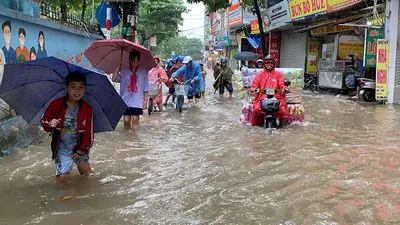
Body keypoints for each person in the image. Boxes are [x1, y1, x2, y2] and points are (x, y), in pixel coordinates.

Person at [40, 72, 94, 185]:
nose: (77, 91)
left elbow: (89, 134)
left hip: (80, 147)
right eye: (73, 87)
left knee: (88, 175)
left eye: (81, 87)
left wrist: (81, 150)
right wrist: (50, 124)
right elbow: (44, 121)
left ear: (85, 89)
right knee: (63, 179)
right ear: (66, 87)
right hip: (62, 148)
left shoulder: (87, 109)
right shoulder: (56, 105)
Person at [112, 50, 149, 130]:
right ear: (129, 60)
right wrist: (118, 65)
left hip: (137, 100)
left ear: (139, 61)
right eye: (133, 60)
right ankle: (126, 138)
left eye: (136, 61)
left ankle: (135, 139)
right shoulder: (124, 70)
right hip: (125, 99)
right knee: (126, 120)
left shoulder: (143, 71)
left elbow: (146, 87)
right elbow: (114, 79)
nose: (134, 63)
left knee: (135, 119)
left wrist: (146, 100)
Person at [250, 55, 289, 127]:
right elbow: (254, 85)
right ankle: (255, 126)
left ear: (273, 64)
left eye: (270, 63)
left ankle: (284, 127)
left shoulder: (278, 74)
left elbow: (282, 84)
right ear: (264, 64)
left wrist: (285, 88)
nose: (269, 64)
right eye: (267, 63)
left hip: (277, 98)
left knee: (283, 110)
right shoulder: (260, 75)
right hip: (262, 97)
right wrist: (253, 89)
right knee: (256, 110)